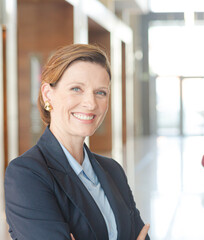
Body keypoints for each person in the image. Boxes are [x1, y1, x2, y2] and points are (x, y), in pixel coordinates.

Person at [5, 44, 150, 240]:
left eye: (101, 92)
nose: (90, 103)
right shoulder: (27, 173)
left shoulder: (113, 170)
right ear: (48, 94)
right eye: (76, 89)